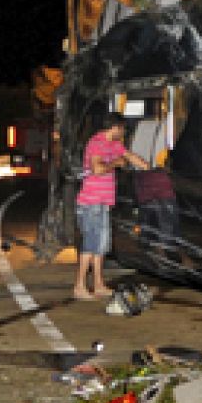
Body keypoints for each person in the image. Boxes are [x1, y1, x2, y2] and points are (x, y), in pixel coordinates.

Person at [74, 114, 148, 300]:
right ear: (114, 127)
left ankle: (99, 284)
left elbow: (129, 156)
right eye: (122, 128)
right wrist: (116, 163)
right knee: (90, 245)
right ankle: (79, 286)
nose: (123, 132)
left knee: (101, 246)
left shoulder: (115, 145)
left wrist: (150, 167)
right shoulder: (96, 143)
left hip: (104, 203)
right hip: (91, 203)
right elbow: (97, 169)